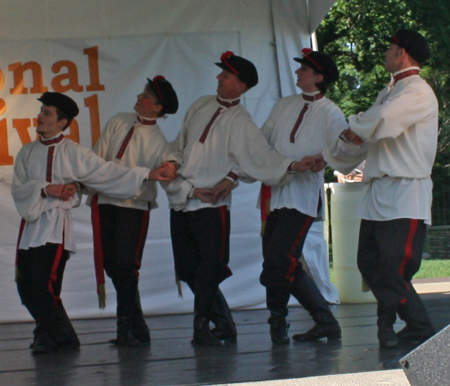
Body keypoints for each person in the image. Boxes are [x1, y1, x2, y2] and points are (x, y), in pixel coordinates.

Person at [162, 51, 315, 346]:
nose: (219, 78)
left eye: (227, 75)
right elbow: (179, 143)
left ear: (241, 86)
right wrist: (171, 161)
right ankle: (223, 323)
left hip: (212, 204)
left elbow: (258, 157)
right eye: (221, 74)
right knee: (188, 268)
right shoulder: (201, 104)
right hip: (184, 197)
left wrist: (292, 166)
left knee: (209, 267)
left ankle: (202, 327)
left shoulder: (241, 120)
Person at [12, 92, 173, 354]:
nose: (40, 117)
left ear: (62, 123)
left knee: (44, 285)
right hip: (30, 228)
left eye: (47, 113)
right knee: (25, 287)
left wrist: (145, 174)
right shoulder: (27, 151)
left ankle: (54, 335)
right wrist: (45, 188)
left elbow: (105, 172)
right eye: (41, 111)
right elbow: (18, 187)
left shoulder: (73, 151)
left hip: (54, 228)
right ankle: (55, 333)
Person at [337, 29, 438, 348]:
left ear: (402, 53)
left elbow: (384, 119)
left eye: (390, 48)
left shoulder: (418, 91)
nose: (385, 53)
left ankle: (386, 327)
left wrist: (355, 127)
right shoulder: (390, 90)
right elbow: (375, 126)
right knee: (368, 261)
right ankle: (418, 324)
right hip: (379, 190)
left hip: (405, 190)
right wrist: (342, 148)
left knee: (393, 264)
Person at [258, 49, 364, 344]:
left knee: (281, 260)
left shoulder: (330, 111)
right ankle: (280, 322)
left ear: (319, 77)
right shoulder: (284, 105)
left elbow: (345, 147)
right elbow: (262, 141)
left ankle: (318, 320)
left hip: (303, 195)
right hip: (275, 192)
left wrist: (323, 157)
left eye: (304, 69)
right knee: (275, 261)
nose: (298, 72)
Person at [89, 76, 178, 347]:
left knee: (126, 265)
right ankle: (136, 324)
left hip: (133, 207)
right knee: (111, 264)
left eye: (148, 96)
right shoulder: (119, 120)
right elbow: (97, 158)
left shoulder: (159, 143)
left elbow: (162, 172)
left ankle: (125, 326)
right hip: (105, 201)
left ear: (158, 108)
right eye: (142, 92)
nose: (140, 97)